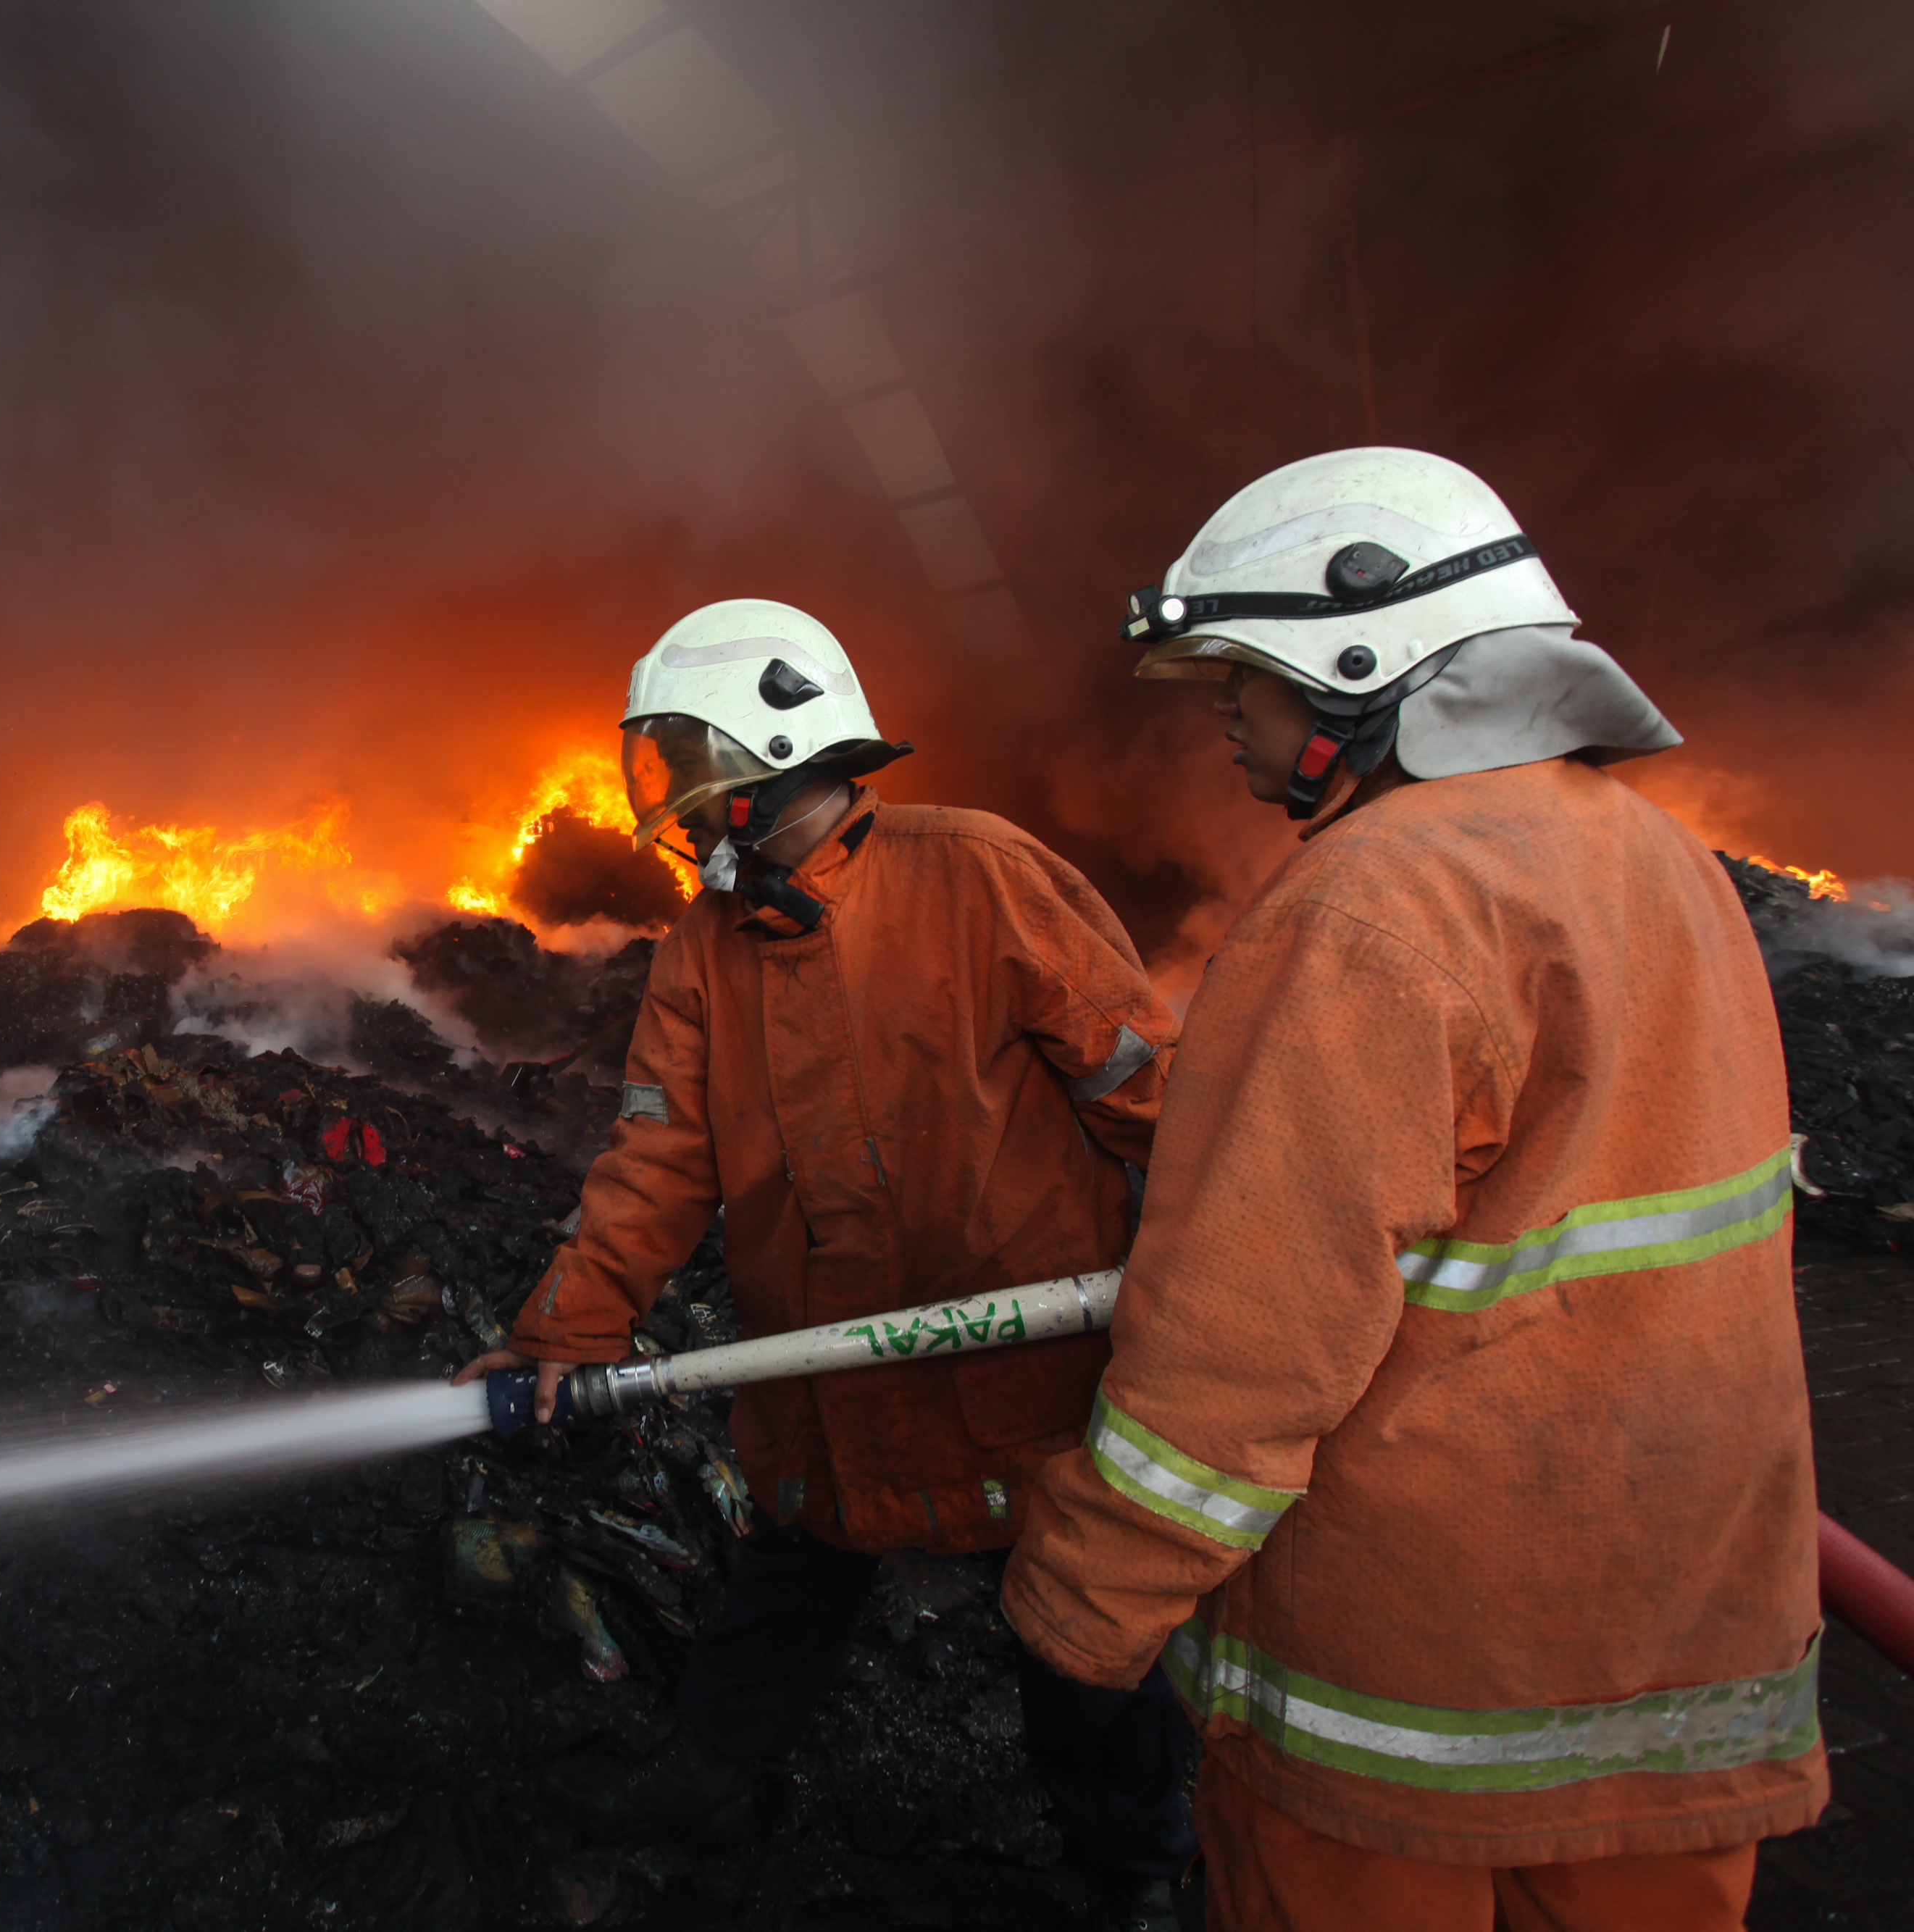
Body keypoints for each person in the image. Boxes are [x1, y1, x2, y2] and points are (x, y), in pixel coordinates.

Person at [1003, 448, 1826, 1931]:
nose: (1219, 720)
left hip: (1409, 1702)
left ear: (1356, 659)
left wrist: (1081, 1611)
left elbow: (1240, 1338)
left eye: (1237, 680)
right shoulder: (1659, 857)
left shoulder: (1367, 903)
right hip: (1673, 1648)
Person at [455, 597, 1195, 1928]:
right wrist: (569, 1331)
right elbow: (659, 1159)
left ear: (768, 756)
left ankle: (1134, 1868)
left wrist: (1229, 1253)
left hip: (1025, 1369)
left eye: (685, 763)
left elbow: (1147, 1093)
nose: (670, 801)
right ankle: (713, 1778)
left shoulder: (976, 873)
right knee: (789, 1575)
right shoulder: (705, 950)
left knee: (1081, 1630)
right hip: (829, 1374)